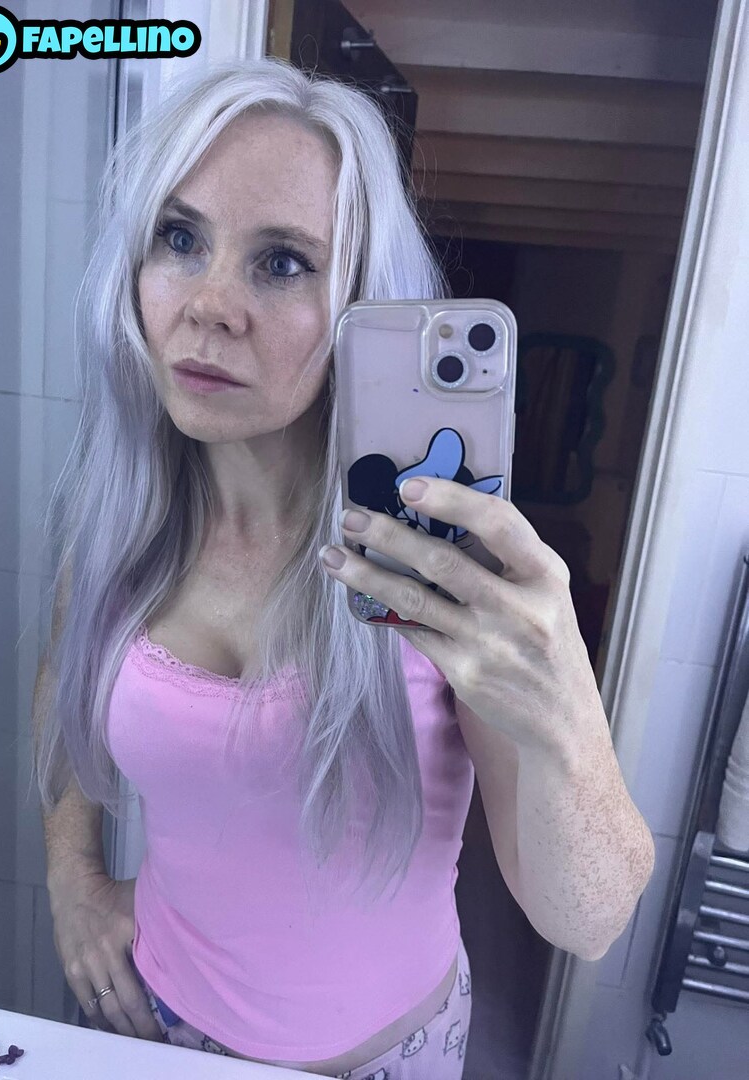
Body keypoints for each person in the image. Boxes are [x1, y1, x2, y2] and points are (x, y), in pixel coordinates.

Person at [32, 55, 653, 1080]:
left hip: (390, 1058)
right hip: (156, 1029)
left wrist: (564, 709)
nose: (210, 304)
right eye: (179, 239)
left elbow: (587, 919)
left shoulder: (436, 569)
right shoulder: (117, 530)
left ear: (363, 306)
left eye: (282, 262)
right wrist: (72, 875)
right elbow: (62, 686)